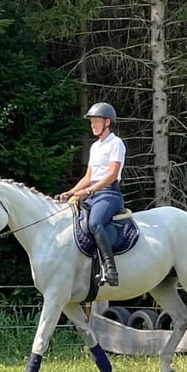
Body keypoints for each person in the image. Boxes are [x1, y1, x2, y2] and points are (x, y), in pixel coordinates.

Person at [59, 102, 126, 286]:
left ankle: (111, 269)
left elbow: (112, 174)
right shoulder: (95, 147)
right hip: (93, 193)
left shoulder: (116, 143)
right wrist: (71, 192)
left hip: (109, 193)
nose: (93, 125)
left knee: (95, 223)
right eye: (92, 122)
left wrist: (88, 191)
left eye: (96, 121)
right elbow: (88, 176)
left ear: (107, 122)